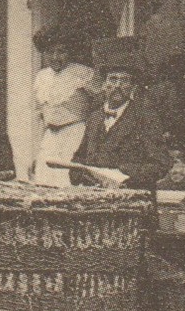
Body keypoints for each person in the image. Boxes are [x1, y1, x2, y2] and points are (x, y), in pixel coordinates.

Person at [70, 37, 167, 194]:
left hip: (133, 202)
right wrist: (79, 174)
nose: (117, 86)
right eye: (113, 79)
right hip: (97, 200)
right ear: (104, 85)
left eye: (124, 81)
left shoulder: (146, 117)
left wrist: (122, 173)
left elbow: (160, 165)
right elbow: (79, 158)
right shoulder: (94, 118)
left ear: (132, 87)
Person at [31, 25, 96, 186]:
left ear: (70, 52)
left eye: (61, 51)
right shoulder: (41, 76)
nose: (55, 57)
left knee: (67, 182)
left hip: (75, 136)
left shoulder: (84, 73)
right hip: (50, 138)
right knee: (44, 182)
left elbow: (100, 107)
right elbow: (40, 115)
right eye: (50, 52)